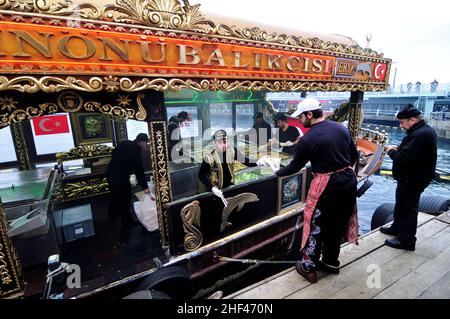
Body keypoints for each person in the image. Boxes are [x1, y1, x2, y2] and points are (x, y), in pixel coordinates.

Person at [272, 100, 359, 283]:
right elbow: (354, 155)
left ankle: (308, 268)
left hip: (327, 186)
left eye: (301, 116)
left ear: (310, 115)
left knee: (316, 226)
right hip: (348, 182)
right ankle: (331, 262)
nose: (300, 120)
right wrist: (342, 170)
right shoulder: (340, 128)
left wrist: (276, 173)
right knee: (337, 224)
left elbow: (294, 167)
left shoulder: (308, 139)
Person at [381, 104, 437, 251]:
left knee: (408, 209)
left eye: (402, 122)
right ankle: (396, 228)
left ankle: (407, 241)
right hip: (410, 177)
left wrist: (391, 152)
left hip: (413, 179)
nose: (401, 126)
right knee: (400, 204)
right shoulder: (423, 131)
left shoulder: (419, 134)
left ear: (413, 119)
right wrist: (398, 148)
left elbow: (404, 158)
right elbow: (414, 152)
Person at [198, 129, 261, 205]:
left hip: (230, 187)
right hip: (215, 191)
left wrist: (258, 162)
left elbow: (245, 161)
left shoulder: (232, 151)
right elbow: (201, 175)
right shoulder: (209, 158)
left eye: (225, 142)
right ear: (214, 143)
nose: (223, 145)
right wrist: (212, 188)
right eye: (220, 142)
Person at [106, 133, 150, 227]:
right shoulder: (135, 152)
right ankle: (127, 221)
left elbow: (114, 154)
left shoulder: (125, 143)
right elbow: (139, 171)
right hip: (120, 177)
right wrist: (145, 187)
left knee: (114, 194)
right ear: (142, 142)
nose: (146, 145)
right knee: (125, 198)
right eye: (146, 142)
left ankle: (112, 214)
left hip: (110, 172)